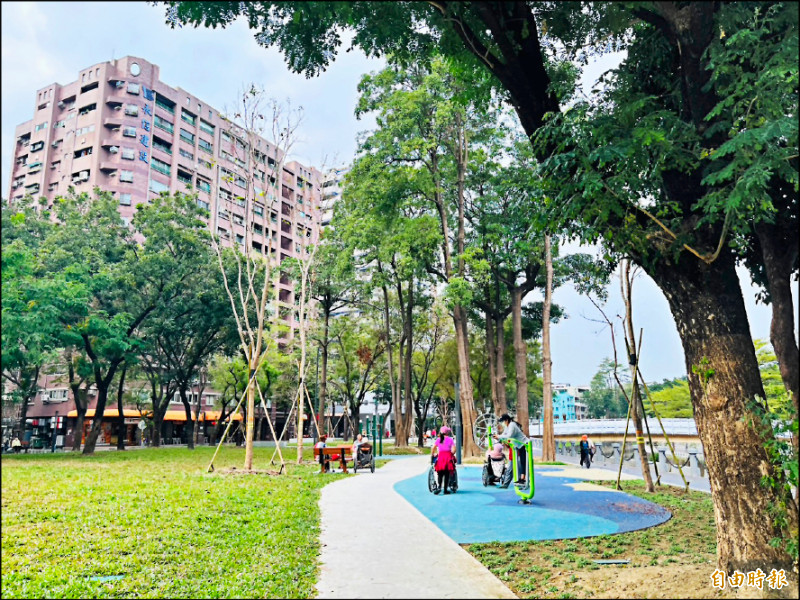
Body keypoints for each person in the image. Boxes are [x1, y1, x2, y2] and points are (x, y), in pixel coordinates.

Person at [494, 414, 529, 485]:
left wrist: (499, 436)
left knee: (523, 462)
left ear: (506, 420)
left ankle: (524, 479)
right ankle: (522, 479)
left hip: (524, 444)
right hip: (519, 445)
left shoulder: (512, 425)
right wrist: (498, 437)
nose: (502, 423)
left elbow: (509, 435)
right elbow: (504, 434)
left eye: (503, 421)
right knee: (521, 462)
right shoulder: (507, 427)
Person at [431, 426, 456, 495]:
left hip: (441, 457)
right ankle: (445, 489)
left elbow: (433, 448)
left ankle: (439, 487)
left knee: (440, 473)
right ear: (447, 432)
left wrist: (433, 454)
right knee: (447, 474)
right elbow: (454, 449)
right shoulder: (450, 440)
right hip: (448, 457)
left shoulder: (438, 439)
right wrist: (452, 453)